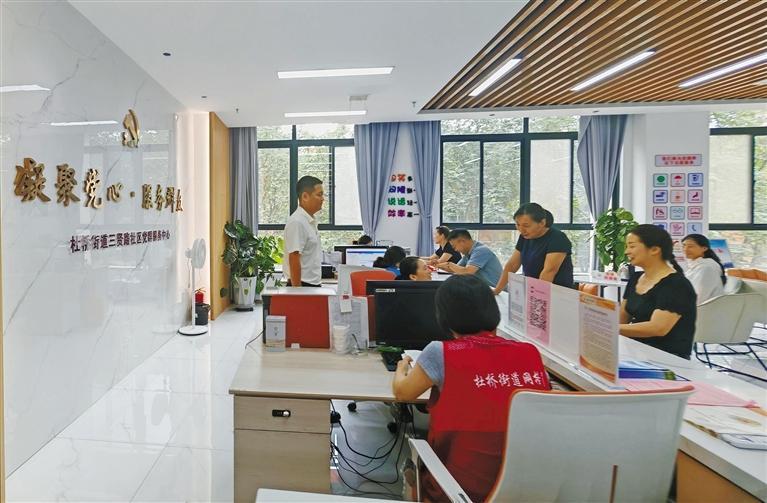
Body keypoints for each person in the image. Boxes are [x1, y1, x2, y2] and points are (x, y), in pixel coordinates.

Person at [392, 275, 550, 502]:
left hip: (458, 490)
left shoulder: (439, 352)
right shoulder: (529, 353)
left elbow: (402, 393)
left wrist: (401, 368)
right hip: (526, 489)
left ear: (444, 316)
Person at [620, 224, 697, 359]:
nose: (627, 251)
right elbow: (622, 318)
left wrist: (610, 328)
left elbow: (657, 328)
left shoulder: (676, 284)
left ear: (654, 250)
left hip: (667, 359)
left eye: (632, 246)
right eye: (627, 246)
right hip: (636, 353)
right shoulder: (635, 278)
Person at [493, 203, 574, 294]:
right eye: (518, 225)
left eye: (526, 226)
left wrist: (537, 297)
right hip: (533, 291)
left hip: (557, 293)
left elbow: (549, 272)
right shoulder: (525, 237)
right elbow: (512, 265)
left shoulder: (558, 238)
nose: (521, 230)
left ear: (542, 223)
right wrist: (497, 290)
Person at [283, 176, 324, 287]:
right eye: (319, 195)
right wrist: (298, 291)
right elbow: (294, 257)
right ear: (305, 196)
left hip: (312, 285)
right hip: (302, 285)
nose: (322, 199)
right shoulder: (297, 222)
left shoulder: (309, 221)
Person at [438, 229, 502, 287]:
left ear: (462, 241)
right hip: (484, 288)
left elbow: (467, 271)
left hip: (496, 291)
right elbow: (454, 269)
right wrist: (437, 265)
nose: (455, 250)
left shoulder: (480, 250)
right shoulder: (468, 254)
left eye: (454, 247)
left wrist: (449, 264)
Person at [682, 234, 726, 304]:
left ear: (704, 248)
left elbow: (699, 297)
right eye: (684, 245)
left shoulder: (706, 268)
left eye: (690, 246)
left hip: (703, 308)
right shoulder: (697, 264)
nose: (685, 249)